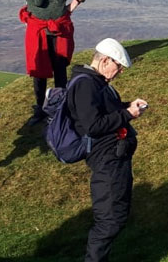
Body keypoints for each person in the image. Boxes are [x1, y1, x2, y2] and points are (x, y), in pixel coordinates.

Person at [67, 38, 148, 262]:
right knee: (110, 221)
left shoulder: (97, 83)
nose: (120, 72)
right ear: (104, 61)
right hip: (107, 160)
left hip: (114, 157)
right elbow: (93, 125)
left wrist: (128, 106)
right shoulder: (86, 85)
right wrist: (127, 115)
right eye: (119, 67)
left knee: (114, 216)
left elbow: (104, 114)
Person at [20, 0, 92, 125]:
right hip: (39, 30)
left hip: (59, 29)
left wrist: (74, 4)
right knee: (39, 73)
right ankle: (40, 110)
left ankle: (61, 107)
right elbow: (36, 2)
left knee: (60, 68)